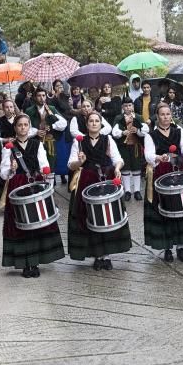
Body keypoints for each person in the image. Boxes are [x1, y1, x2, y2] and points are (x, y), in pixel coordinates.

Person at [0, 113, 65, 277]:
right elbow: (2, 174)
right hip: (17, 187)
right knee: (19, 225)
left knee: (37, 223)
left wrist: (46, 176)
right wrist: (11, 169)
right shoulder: (8, 147)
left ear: (29, 127)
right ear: (15, 128)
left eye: (25, 125)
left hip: (35, 186)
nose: (23, 128)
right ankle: (24, 264)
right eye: (19, 125)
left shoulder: (37, 144)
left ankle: (35, 262)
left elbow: (44, 165)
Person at [67, 110, 128, 270]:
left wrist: (118, 168)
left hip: (104, 180)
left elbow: (118, 159)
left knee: (106, 217)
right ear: (86, 125)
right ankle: (96, 255)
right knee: (88, 218)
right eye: (91, 121)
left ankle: (106, 256)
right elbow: (70, 165)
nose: (94, 123)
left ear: (101, 124)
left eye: (96, 121)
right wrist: (80, 162)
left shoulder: (108, 140)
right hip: (86, 182)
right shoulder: (78, 142)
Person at [143, 102, 183, 262]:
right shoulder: (150, 135)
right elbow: (148, 155)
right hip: (161, 173)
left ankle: (181, 247)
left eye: (168, 114)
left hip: (179, 172)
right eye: (162, 114)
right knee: (164, 210)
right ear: (157, 116)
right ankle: (167, 247)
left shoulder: (178, 131)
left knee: (181, 208)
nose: (166, 117)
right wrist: (158, 158)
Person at [26, 86, 67, 184]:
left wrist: (52, 126)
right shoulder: (29, 111)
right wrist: (36, 132)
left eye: (43, 95)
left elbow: (63, 124)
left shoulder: (51, 108)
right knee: (37, 166)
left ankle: (50, 189)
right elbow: (25, 129)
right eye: (39, 96)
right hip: (35, 143)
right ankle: (39, 188)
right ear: (35, 97)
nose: (42, 98)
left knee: (50, 166)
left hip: (50, 143)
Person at [112, 96, 148, 201]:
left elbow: (144, 131)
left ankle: (137, 191)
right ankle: (127, 191)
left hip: (136, 146)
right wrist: (123, 132)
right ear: (122, 107)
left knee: (136, 167)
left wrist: (137, 130)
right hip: (123, 146)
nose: (128, 108)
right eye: (125, 106)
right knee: (125, 167)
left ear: (132, 106)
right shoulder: (118, 118)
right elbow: (114, 132)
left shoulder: (139, 117)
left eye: (129, 105)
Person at [49, 79, 73, 185]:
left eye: (61, 86)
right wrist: (55, 97)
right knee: (57, 152)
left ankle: (64, 175)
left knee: (66, 152)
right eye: (57, 86)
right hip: (56, 128)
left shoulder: (66, 97)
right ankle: (54, 176)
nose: (60, 88)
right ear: (53, 88)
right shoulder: (50, 98)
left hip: (66, 126)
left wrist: (59, 97)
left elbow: (65, 108)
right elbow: (51, 110)